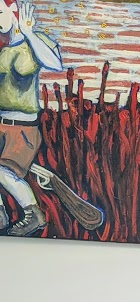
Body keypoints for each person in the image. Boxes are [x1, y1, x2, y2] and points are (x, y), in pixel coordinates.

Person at [0, 0, 62, 236]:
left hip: (23, 127)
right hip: (1, 123)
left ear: (14, 13)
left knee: (5, 173)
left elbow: (56, 64)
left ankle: (34, 214)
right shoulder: (4, 50)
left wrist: (29, 32)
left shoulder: (34, 44)